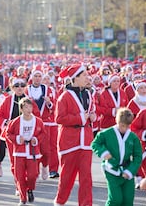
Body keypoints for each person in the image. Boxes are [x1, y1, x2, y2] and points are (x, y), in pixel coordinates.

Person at [54, 64, 97, 206]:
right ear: (75, 78)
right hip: (69, 142)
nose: (87, 77)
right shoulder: (64, 97)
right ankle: (60, 202)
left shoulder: (89, 94)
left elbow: (91, 112)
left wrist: (92, 116)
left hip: (86, 141)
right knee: (67, 177)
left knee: (86, 178)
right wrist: (80, 118)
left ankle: (86, 204)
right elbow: (59, 119)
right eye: (84, 75)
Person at [91, 107, 142, 206]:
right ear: (117, 122)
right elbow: (95, 143)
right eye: (122, 125)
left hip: (127, 170)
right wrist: (104, 153)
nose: (125, 129)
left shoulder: (133, 137)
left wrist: (131, 170)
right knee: (115, 199)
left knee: (128, 200)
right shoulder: (107, 133)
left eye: (127, 126)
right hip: (111, 169)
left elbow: (138, 156)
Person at [6, 97, 46, 206]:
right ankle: (22, 198)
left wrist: (36, 139)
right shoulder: (16, 122)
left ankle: (30, 189)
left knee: (33, 175)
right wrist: (17, 138)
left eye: (30, 107)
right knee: (20, 176)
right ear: (21, 109)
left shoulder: (38, 121)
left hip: (33, 152)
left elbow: (43, 133)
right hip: (19, 152)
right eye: (26, 107)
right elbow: (8, 134)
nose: (29, 109)